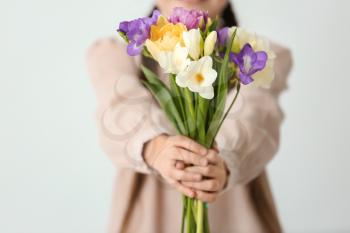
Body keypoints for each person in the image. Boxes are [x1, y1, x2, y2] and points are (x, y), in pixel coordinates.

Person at [86, 0, 293, 232]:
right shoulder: (114, 54)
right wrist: (156, 148)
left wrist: (220, 163)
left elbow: (256, 117)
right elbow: (119, 107)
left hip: (238, 219)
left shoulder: (262, 56)